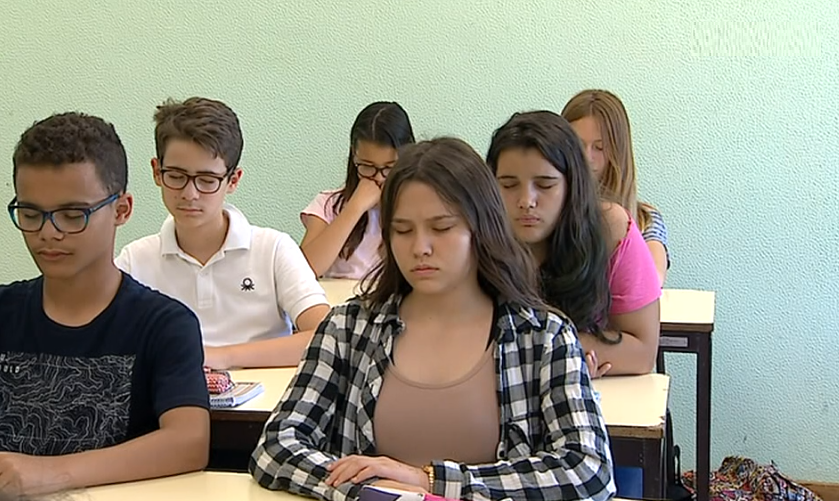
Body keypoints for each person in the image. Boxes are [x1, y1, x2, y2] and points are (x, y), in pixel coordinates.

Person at [251, 137, 615, 501]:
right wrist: (369, 489)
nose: (420, 248)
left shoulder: (542, 335)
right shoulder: (348, 328)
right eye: (402, 230)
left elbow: (589, 468)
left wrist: (429, 483)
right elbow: (276, 447)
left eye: (441, 228)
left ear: (482, 228)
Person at [0, 113, 210, 495]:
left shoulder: (163, 324)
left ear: (121, 210)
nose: (48, 233)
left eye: (72, 215)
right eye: (30, 214)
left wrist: (48, 473)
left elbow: (189, 443)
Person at [116, 97, 330, 369]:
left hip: (264, 397)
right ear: (157, 172)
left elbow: (326, 337)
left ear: (233, 180)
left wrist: (218, 356)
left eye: (207, 180)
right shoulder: (135, 260)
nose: (190, 194)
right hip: (171, 394)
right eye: (176, 176)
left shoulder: (273, 249)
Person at [487, 110, 660, 378]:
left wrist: (563, 353)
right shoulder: (476, 236)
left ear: (572, 185)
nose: (526, 201)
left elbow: (643, 353)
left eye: (545, 185)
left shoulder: (611, 228)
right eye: (509, 185)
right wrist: (562, 353)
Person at [563, 89, 670, 283]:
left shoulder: (645, 220)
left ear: (617, 152)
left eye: (599, 147)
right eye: (577, 145)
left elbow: (652, 281)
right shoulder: (547, 211)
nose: (586, 157)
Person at [300, 101, 415, 279]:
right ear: (354, 155)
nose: (379, 178)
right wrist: (355, 208)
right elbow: (302, 272)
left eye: (389, 168)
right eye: (367, 166)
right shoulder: (328, 204)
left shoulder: (419, 207)